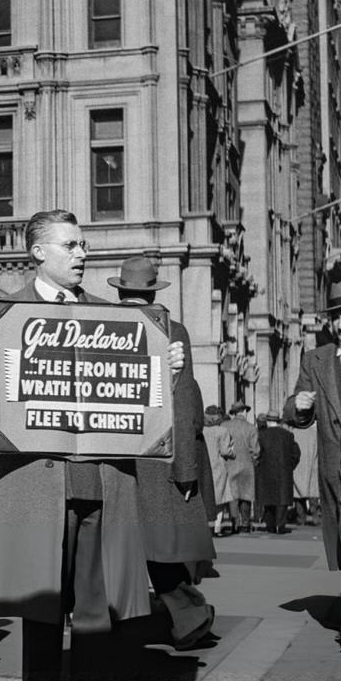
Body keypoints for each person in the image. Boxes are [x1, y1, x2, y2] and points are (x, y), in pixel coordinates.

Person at [0, 210, 185, 681]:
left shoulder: (111, 317)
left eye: (83, 244)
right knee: (40, 612)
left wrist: (170, 366)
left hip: (99, 483)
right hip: (37, 488)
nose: (82, 254)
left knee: (96, 614)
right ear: (38, 252)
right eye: (70, 245)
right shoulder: (3, 314)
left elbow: (143, 399)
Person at [109, 257, 216, 650]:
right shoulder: (172, 330)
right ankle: (188, 616)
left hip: (111, 458)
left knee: (119, 548)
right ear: (154, 291)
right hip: (157, 458)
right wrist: (186, 469)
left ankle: (174, 616)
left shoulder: (101, 326)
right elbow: (184, 402)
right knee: (160, 548)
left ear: (119, 290)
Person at [284, 278, 341, 654]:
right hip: (336, 471)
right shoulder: (316, 360)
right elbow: (293, 411)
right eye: (336, 318)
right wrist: (299, 406)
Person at [255, 415, 299, 534]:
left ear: (268, 422)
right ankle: (280, 524)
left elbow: (257, 453)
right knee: (282, 500)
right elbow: (296, 454)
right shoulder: (288, 435)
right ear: (278, 421)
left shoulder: (261, 435)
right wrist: (290, 466)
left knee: (268, 499)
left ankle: (270, 525)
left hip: (265, 471)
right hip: (284, 472)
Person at [223, 401, 259, 532]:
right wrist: (254, 460)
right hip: (247, 464)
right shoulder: (251, 428)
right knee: (246, 494)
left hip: (230, 463)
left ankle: (234, 522)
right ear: (244, 411)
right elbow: (255, 450)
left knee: (233, 494)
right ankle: (245, 522)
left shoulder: (225, 426)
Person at [205, 406, 236, 535]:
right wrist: (233, 453)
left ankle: (206, 526)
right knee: (220, 499)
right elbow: (225, 451)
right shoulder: (222, 431)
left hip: (204, 467)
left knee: (206, 498)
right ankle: (217, 528)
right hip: (218, 467)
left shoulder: (202, 431)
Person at [292, 418, 319, 527]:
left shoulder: (293, 433)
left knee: (298, 494)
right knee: (313, 491)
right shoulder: (315, 434)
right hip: (313, 465)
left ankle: (301, 518)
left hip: (297, 466)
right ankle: (315, 515)